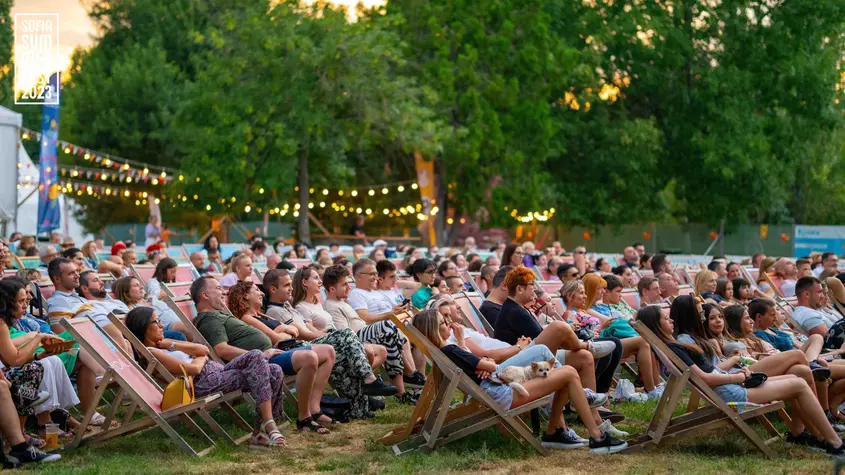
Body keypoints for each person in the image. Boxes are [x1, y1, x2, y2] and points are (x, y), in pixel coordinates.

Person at [637, 304, 845, 456]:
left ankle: (814, 435)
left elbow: (707, 375)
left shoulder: (675, 345)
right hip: (731, 390)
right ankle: (833, 442)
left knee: (799, 371)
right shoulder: (677, 346)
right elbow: (704, 379)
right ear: (657, 325)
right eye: (666, 318)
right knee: (799, 382)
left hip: (730, 383)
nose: (671, 320)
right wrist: (739, 376)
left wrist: (737, 374)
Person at [412, 309, 627, 453]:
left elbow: (479, 365)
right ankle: (597, 437)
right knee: (568, 372)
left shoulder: (447, 351)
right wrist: (483, 361)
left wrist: (483, 363)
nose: (448, 323)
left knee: (550, 359)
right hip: (501, 392)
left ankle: (555, 432)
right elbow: (486, 366)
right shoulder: (450, 349)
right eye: (442, 323)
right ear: (432, 329)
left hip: (495, 387)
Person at [233, 278, 395, 419]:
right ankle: (369, 379)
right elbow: (279, 338)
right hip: (292, 349)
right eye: (256, 290)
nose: (261, 293)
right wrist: (284, 330)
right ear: (245, 295)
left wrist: (286, 330)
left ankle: (359, 407)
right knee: (345, 334)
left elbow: (294, 331)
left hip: (296, 344)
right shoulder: (247, 318)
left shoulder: (263, 316)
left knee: (343, 358)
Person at [125, 307, 287, 448]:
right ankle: (268, 426)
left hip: (217, 372)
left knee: (275, 370)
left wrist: (172, 344)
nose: (161, 325)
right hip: (203, 383)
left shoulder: (164, 343)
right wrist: (200, 357)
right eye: (156, 321)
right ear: (144, 326)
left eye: (160, 320)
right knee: (260, 359)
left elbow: (203, 349)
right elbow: (194, 368)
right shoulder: (153, 353)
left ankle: (260, 432)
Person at [189, 276, 334, 433]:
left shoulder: (222, 315)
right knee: (309, 358)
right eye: (218, 288)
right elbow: (222, 349)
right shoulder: (209, 319)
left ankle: (315, 409)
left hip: (272, 350)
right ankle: (304, 418)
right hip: (262, 360)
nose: (223, 291)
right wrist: (262, 355)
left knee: (328, 351)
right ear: (205, 295)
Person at [0, 278, 82, 444]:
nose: (26, 303)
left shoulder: (10, 323)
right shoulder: (2, 324)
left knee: (50, 361)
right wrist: (36, 338)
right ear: (8, 303)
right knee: (37, 368)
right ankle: (43, 424)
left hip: (7, 372)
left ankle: (58, 415)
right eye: (21, 300)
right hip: (6, 376)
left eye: (27, 298)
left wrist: (40, 354)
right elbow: (14, 359)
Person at [574, 275, 661, 399]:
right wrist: (602, 327)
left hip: (607, 340)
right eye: (599, 289)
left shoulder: (597, 307)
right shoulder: (584, 310)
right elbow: (609, 323)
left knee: (645, 343)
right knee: (644, 341)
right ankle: (652, 389)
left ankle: (655, 387)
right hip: (601, 342)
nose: (603, 292)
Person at [346, 259, 426, 389]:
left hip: (392, 326)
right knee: (403, 336)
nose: (375, 277)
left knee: (419, 338)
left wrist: (400, 309)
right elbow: (365, 319)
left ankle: (419, 381)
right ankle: (411, 374)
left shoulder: (377, 293)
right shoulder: (356, 294)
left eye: (376, 274)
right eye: (371, 274)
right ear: (359, 276)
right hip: (379, 332)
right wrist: (390, 314)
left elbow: (390, 311)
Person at [111, 275, 192, 340]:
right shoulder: (133, 309)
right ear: (126, 293)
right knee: (188, 327)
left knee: (192, 325)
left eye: (140, 284)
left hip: (179, 322)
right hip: (164, 328)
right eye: (136, 286)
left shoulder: (153, 299)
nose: (141, 287)